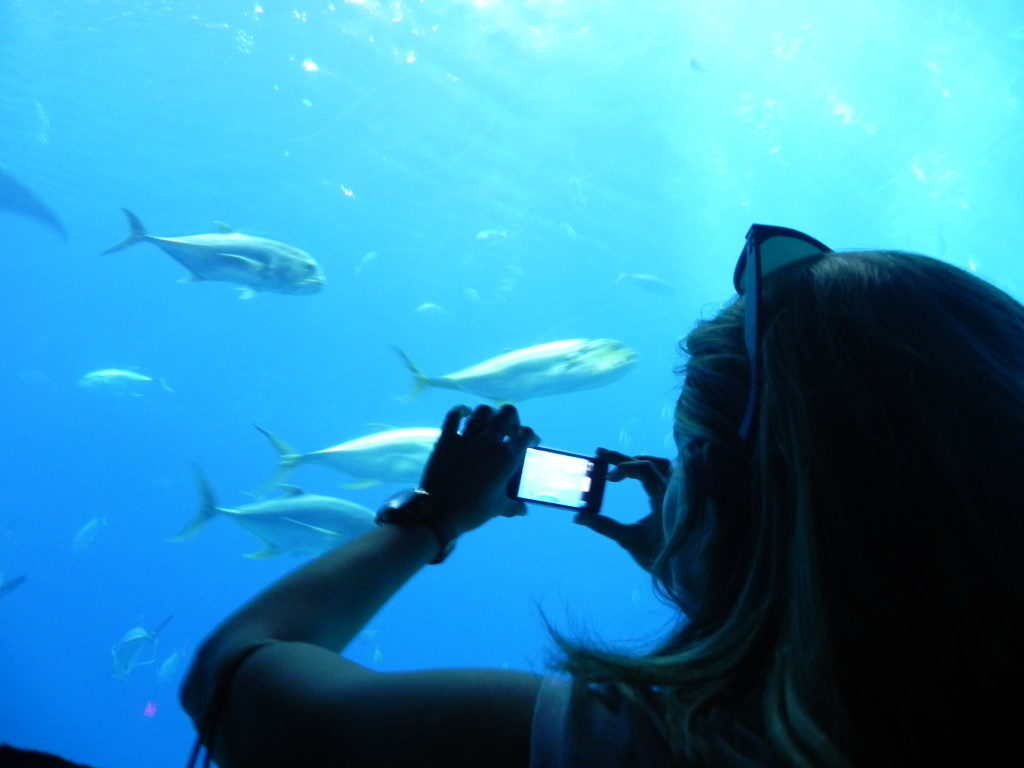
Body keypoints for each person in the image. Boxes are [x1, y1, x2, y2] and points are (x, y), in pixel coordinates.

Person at [181, 225, 1024, 767]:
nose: (677, 476)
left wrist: (429, 518)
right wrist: (713, 568)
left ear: (741, 493)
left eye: (690, 455)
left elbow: (234, 684)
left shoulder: (649, 751)